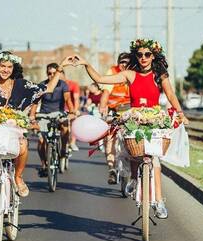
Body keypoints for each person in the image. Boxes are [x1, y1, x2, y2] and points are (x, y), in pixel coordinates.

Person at [73, 39, 189, 219]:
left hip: (155, 118)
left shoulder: (160, 74)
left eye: (147, 54)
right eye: (140, 54)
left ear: (153, 56)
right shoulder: (129, 74)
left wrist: (180, 113)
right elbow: (100, 79)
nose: (143, 58)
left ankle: (159, 202)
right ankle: (135, 178)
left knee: (155, 160)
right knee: (133, 150)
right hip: (134, 116)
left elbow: (171, 94)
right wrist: (86, 64)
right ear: (136, 56)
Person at [0, 51, 74, 197]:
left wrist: (60, 68)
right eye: (3, 66)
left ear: (13, 68)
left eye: (9, 67)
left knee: (23, 145)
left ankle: (18, 177)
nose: (6, 70)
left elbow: (48, 88)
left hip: (14, 130)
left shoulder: (22, 85)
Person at [29, 62, 76, 176]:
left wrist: (72, 112)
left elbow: (68, 100)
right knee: (41, 141)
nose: (51, 76)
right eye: (49, 73)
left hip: (58, 113)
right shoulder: (42, 85)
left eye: (54, 73)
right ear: (47, 74)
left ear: (58, 74)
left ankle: (63, 148)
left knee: (65, 126)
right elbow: (35, 102)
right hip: (44, 114)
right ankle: (44, 165)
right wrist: (32, 115)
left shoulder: (63, 85)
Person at [99, 52, 131, 184]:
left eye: (127, 62)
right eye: (122, 62)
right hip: (114, 109)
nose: (124, 65)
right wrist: (102, 106)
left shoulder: (134, 73)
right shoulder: (112, 71)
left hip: (130, 109)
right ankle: (112, 169)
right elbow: (106, 91)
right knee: (109, 139)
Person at [64, 75, 81, 151]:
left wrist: (76, 110)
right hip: (60, 109)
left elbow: (76, 98)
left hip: (71, 108)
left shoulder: (73, 84)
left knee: (73, 124)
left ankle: (72, 142)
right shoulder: (54, 84)